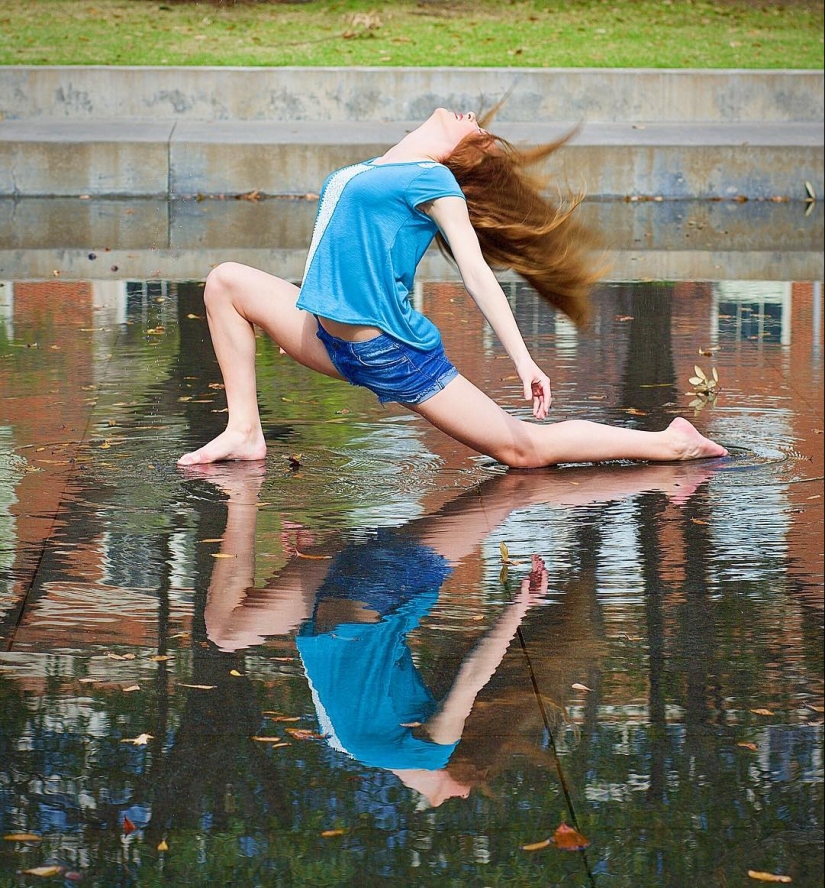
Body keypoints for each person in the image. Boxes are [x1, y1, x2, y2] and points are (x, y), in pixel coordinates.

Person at [177, 108, 727, 469]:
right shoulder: (371, 168)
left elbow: (476, 273)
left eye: (478, 133)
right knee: (225, 282)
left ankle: (669, 442)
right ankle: (245, 430)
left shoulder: (433, 179)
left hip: (388, 350)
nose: (470, 117)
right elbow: (342, 246)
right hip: (328, 335)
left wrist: (523, 361)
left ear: (460, 155)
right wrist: (309, 309)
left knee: (521, 448)